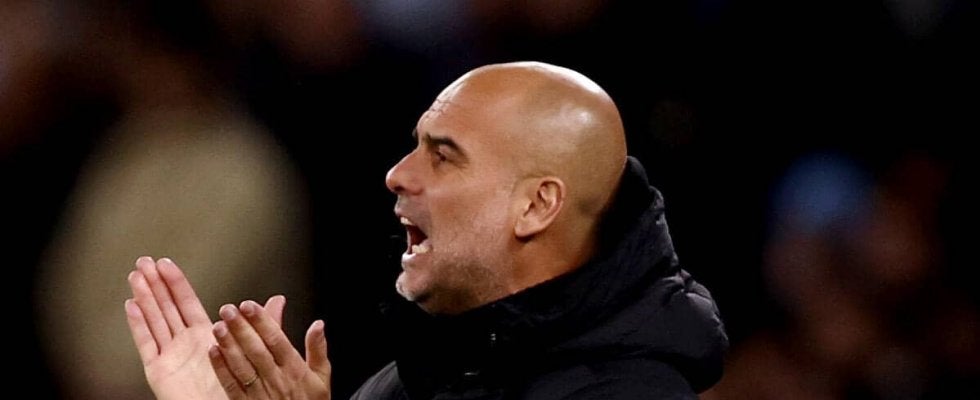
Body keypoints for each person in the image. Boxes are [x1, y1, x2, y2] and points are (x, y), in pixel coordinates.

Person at [125, 61, 728, 399]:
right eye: (415, 146)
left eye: (443, 156)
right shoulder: (406, 382)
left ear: (536, 206)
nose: (397, 175)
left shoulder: (632, 392)